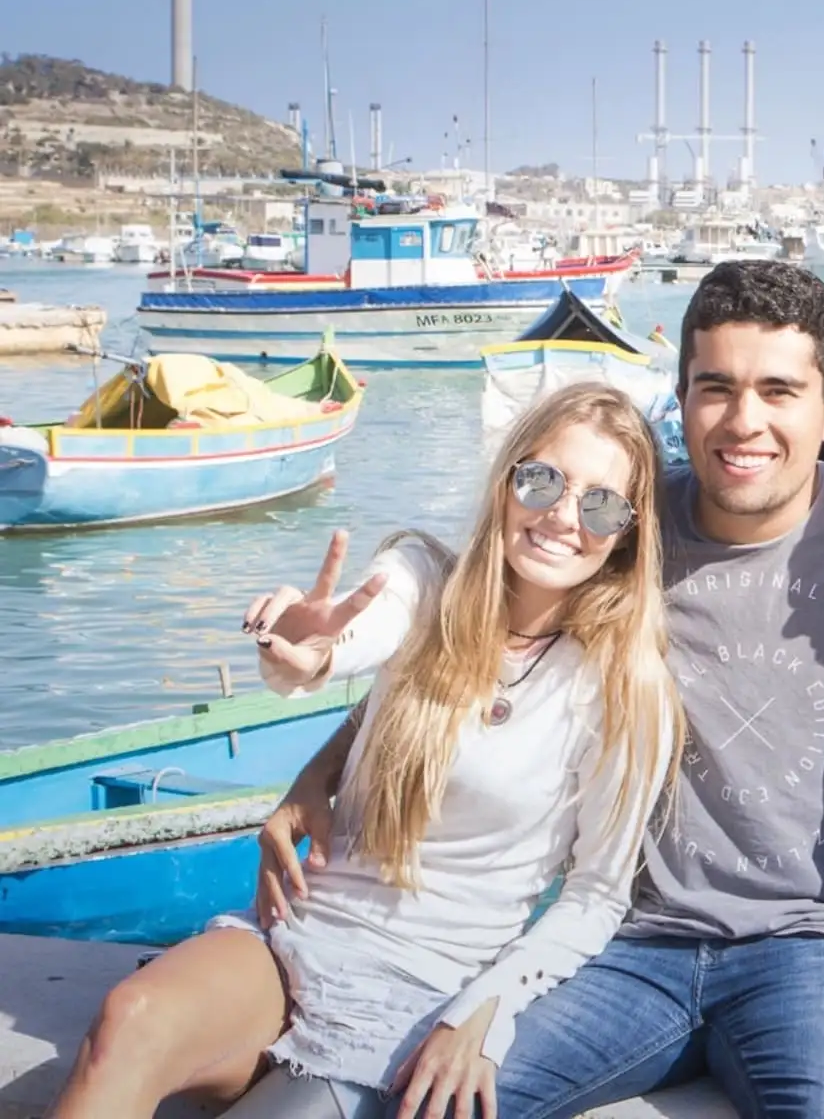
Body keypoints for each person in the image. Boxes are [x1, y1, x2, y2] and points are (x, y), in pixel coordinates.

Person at [253, 261, 824, 1119]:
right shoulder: (615, 528)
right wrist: (321, 769)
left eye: (780, 391)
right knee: (438, 1099)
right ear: (681, 396)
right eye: (716, 388)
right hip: (636, 943)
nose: (745, 422)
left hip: (822, 947)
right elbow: (467, 630)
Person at [52, 382, 681, 1119]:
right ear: (508, 478)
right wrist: (303, 654)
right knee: (130, 1019)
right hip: (295, 936)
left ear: (629, 536)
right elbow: (349, 639)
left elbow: (597, 894)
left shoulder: (622, 690)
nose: (562, 517)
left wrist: (485, 1010)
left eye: (601, 504)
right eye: (542, 479)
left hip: (417, 988)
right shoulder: (422, 579)